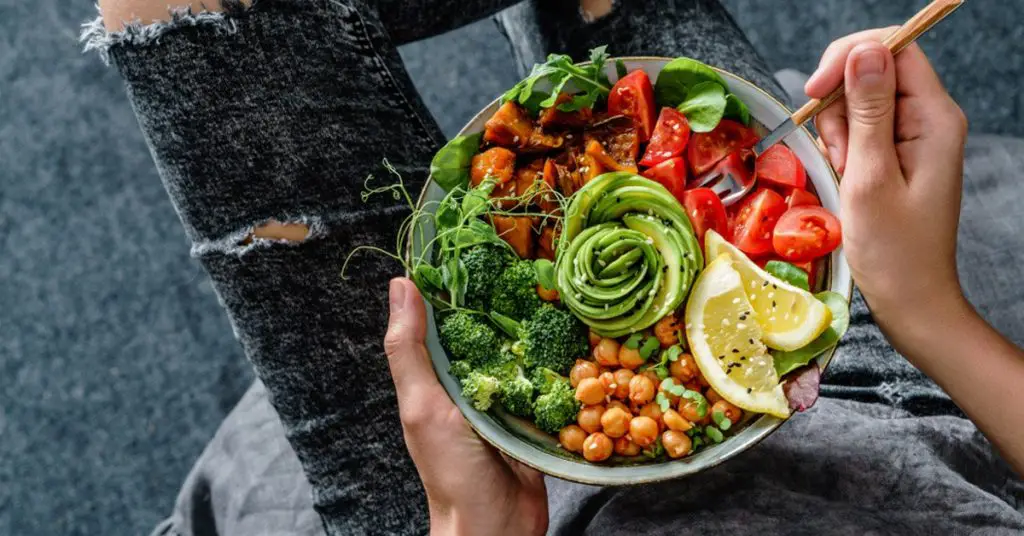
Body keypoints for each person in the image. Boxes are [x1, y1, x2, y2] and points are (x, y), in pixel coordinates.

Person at [83, 0, 1024, 534]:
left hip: (472, 511)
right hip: (859, 404)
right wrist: (925, 308)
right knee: (621, 41)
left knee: (180, 12)